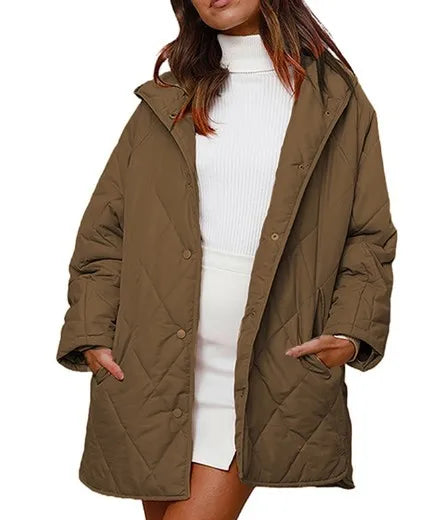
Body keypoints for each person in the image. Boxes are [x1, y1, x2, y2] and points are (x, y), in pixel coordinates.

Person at [56, 1, 397, 519]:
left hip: (262, 367)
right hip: (156, 363)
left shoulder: (335, 99)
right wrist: (92, 333)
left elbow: (367, 235)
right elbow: (105, 232)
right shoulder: (170, 97)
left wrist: (350, 333)